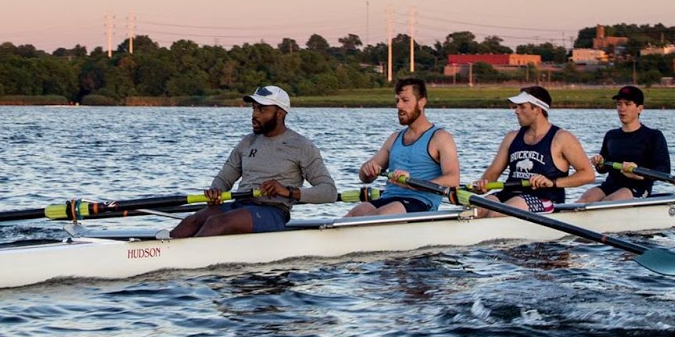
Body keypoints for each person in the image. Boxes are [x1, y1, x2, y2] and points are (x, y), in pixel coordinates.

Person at [170, 85, 338, 238]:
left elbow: (329, 191)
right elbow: (225, 177)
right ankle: (166, 252)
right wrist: (216, 190)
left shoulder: (302, 146)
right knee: (190, 221)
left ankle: (189, 256)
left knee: (216, 223)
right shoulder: (248, 142)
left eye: (262, 110)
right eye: (254, 108)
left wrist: (288, 191)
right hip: (240, 205)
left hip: (272, 211)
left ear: (280, 113)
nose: (254, 115)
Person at [470, 85, 594, 215]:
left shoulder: (562, 138)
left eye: (522, 107)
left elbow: (588, 174)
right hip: (510, 194)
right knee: (478, 210)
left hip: (545, 198)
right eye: (516, 107)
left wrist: (553, 183)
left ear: (537, 109)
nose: (516, 111)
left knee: (497, 213)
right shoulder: (511, 137)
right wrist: (482, 186)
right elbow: (493, 173)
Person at [347, 77, 460, 216]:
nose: (399, 106)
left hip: (420, 202)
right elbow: (364, 177)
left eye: (405, 100)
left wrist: (411, 183)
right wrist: (367, 170)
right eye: (397, 101)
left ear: (421, 102)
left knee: (380, 215)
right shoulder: (394, 138)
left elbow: (453, 180)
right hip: (389, 198)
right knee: (356, 213)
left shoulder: (441, 138)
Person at [579, 85, 671, 202]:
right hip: (610, 185)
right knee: (584, 200)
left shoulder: (653, 136)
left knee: (610, 201)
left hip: (638, 188)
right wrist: (600, 164)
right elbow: (603, 168)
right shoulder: (611, 135)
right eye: (619, 104)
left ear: (639, 108)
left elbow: (664, 170)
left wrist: (638, 171)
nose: (622, 109)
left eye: (627, 104)